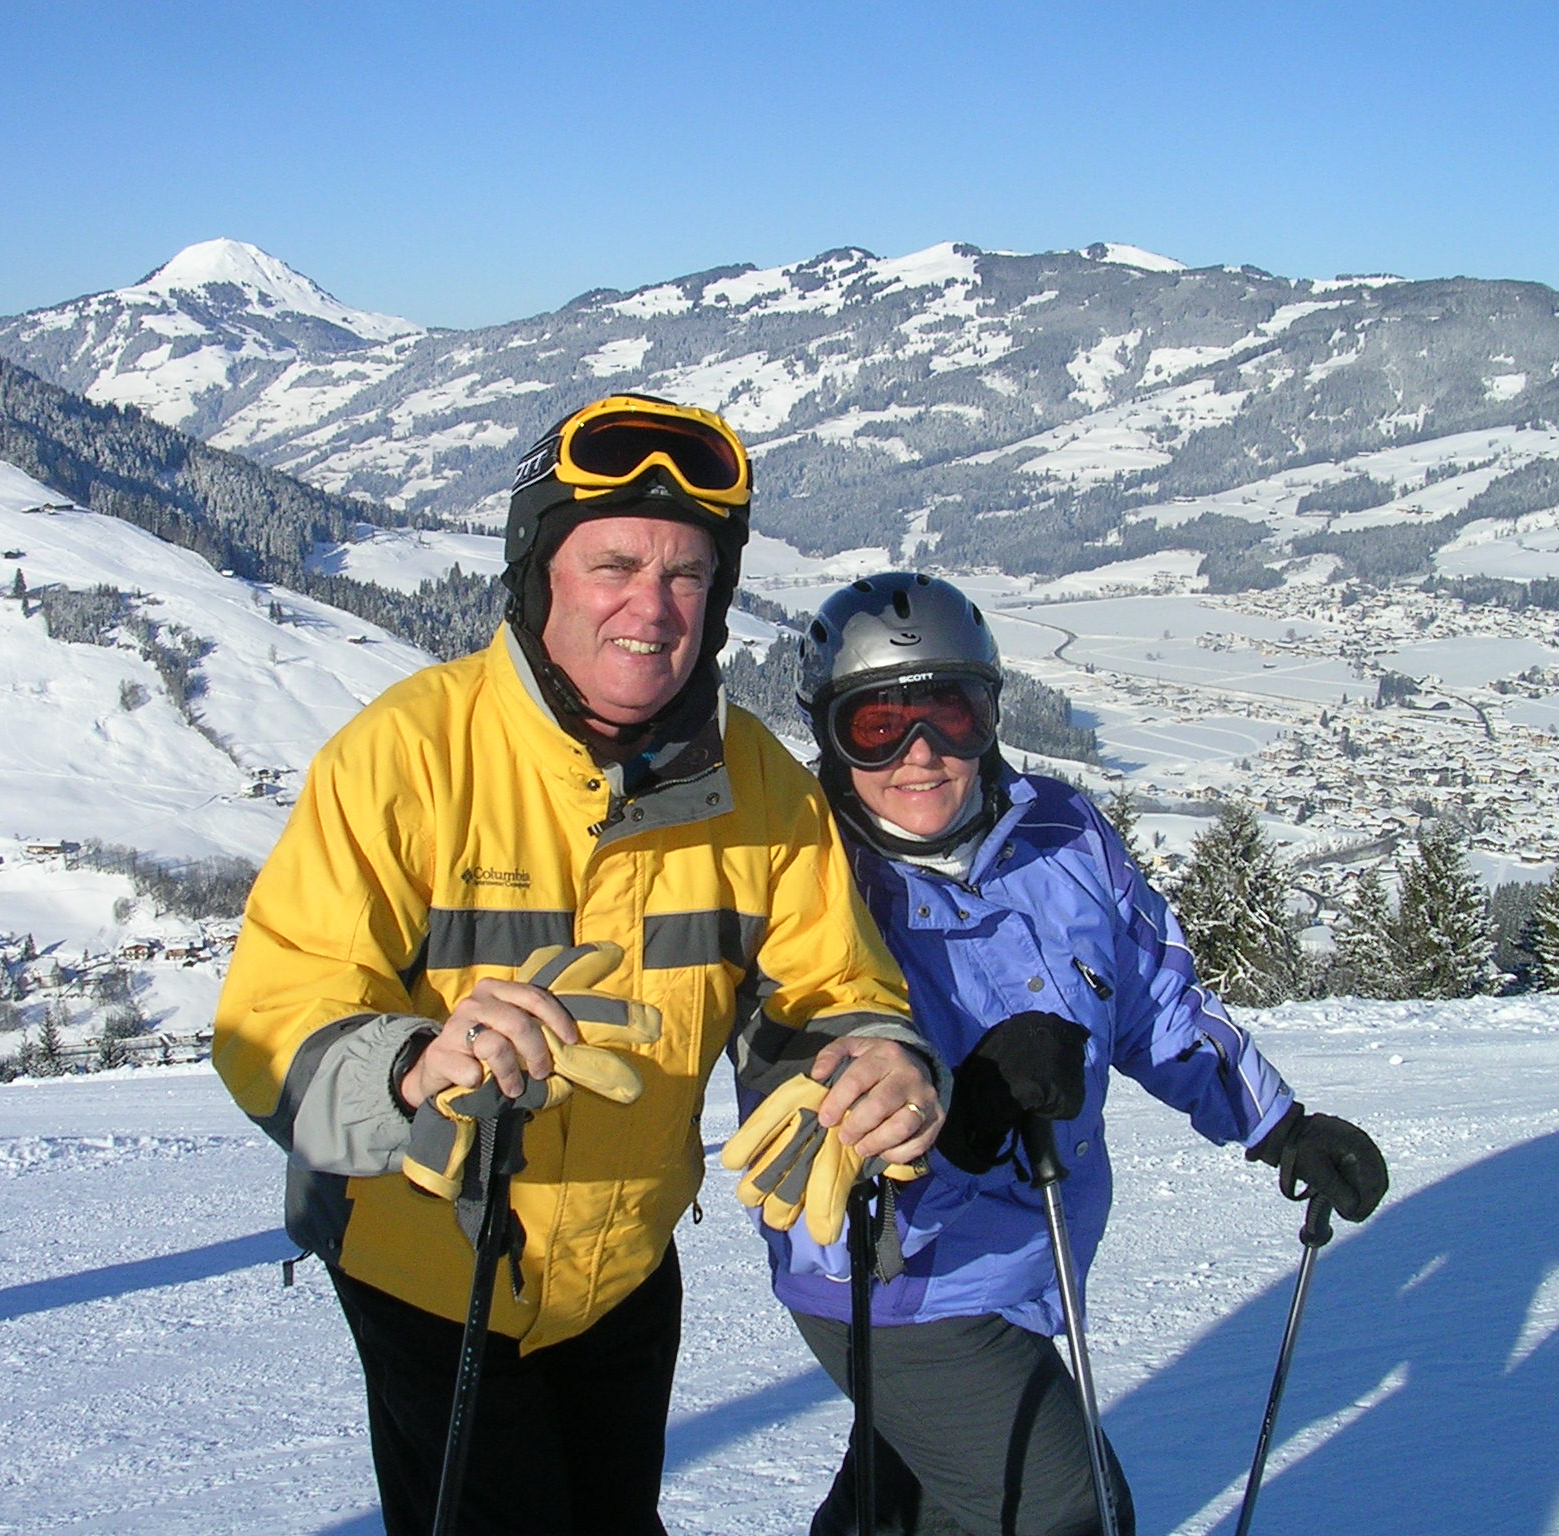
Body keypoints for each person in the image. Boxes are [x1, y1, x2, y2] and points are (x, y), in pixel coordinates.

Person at [213, 396, 944, 1536]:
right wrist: (415, 1066)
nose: (650, 609)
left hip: (625, 1274)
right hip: (428, 1279)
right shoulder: (407, 755)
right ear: (537, 574)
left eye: (687, 575)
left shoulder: (755, 784)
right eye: (612, 563)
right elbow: (271, 1020)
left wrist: (877, 1060)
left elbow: (834, 987)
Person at [744, 571, 1388, 1536]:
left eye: (953, 715)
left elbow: (1155, 1004)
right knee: (1068, 1511)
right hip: (898, 1285)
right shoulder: (806, 880)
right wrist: (964, 1121)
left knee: (914, 1506)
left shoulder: (1062, 834)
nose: (922, 754)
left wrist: (1278, 1127)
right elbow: (806, 1145)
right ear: (829, 734)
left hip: (1033, 1255)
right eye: (877, 724)